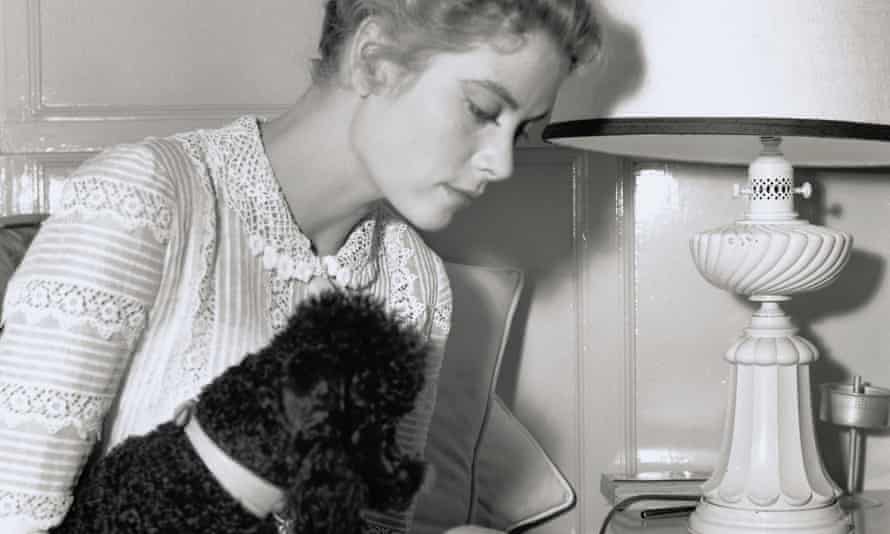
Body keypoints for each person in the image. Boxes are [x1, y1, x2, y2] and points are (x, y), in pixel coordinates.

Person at [0, 1, 601, 532]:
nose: (502, 164)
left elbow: (376, 523)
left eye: (522, 131)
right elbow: (14, 514)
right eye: (482, 109)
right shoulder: (144, 195)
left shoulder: (416, 284)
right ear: (374, 59)